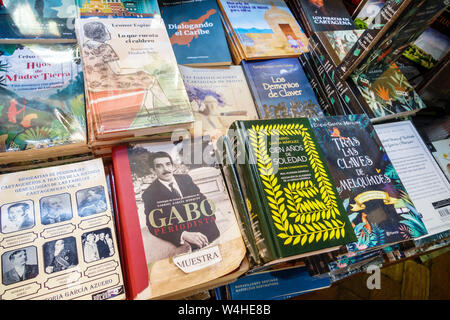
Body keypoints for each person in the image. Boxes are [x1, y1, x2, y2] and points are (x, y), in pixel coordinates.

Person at [81, 21, 172, 121]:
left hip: (93, 84)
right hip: (107, 82)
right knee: (149, 78)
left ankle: (153, 115)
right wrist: (139, 69)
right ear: (100, 34)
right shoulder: (105, 48)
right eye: (106, 31)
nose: (109, 33)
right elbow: (118, 71)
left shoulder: (85, 47)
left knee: (145, 83)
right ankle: (168, 106)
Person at [142, 152, 220, 251]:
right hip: (187, 245)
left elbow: (202, 201)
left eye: (168, 164)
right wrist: (183, 235)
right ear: (153, 170)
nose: (166, 169)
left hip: (211, 233)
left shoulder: (186, 178)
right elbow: (153, 226)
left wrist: (211, 219)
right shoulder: (149, 194)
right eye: (159, 166)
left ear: (172, 165)